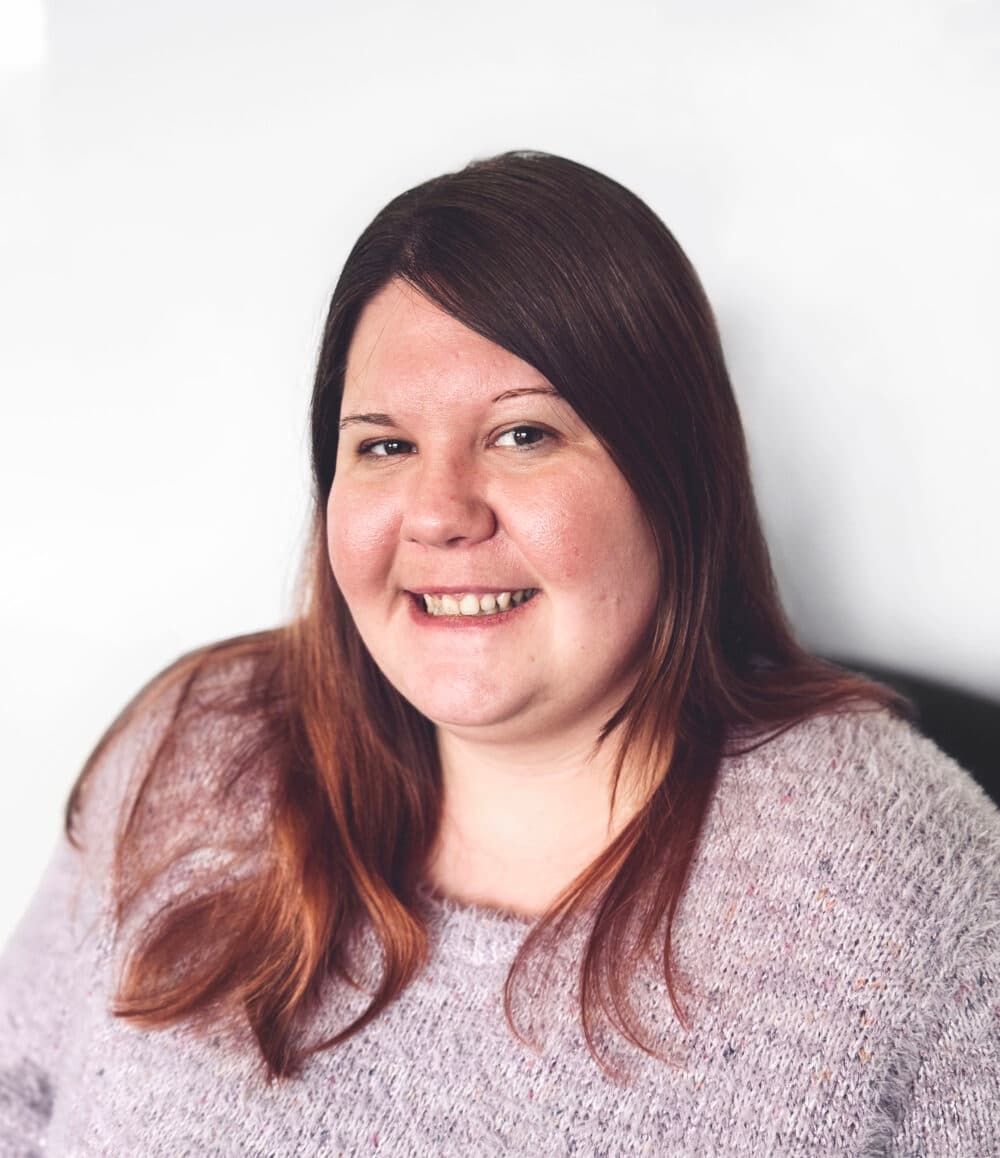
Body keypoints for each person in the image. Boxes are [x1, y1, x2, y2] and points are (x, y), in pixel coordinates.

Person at [1, 150, 997, 1156]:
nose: (437, 513)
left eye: (522, 436)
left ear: (675, 482)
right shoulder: (194, 752)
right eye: (383, 446)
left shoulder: (898, 889)